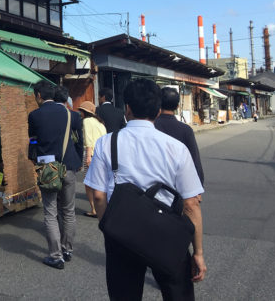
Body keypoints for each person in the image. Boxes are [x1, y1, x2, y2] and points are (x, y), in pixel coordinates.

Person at [85, 78, 206, 300]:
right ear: (158, 110)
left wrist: (109, 228)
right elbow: (191, 204)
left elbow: (99, 196)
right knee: (177, 294)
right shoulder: (176, 148)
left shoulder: (106, 143)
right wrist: (197, 253)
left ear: (127, 108)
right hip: (167, 230)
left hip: (122, 233)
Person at [28, 81, 83, 270]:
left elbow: (33, 141)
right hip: (69, 167)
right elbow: (78, 142)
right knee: (68, 211)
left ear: (39, 96)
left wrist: (33, 160)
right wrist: (78, 163)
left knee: (50, 212)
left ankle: (55, 255)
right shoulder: (73, 115)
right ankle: (67, 250)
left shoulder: (35, 115)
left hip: (48, 169)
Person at [155, 87, 204, 187]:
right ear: (177, 106)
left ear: (158, 104)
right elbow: (194, 161)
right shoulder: (185, 130)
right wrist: (198, 187)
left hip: (153, 187)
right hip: (179, 185)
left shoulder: (152, 126)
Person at [78, 101, 106, 217]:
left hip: (91, 153)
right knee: (100, 182)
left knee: (88, 183)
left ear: (85, 112)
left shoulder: (86, 121)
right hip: (102, 154)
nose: (80, 114)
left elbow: (89, 139)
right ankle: (104, 208)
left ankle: (94, 209)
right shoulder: (100, 122)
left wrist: (88, 156)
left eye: (81, 111)